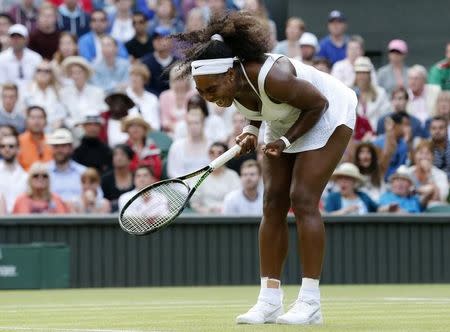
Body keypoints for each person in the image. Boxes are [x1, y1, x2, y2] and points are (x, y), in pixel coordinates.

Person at [174, 11, 357, 325]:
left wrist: (285, 141)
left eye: (212, 89)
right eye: (202, 92)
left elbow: (317, 105)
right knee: (272, 202)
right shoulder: (228, 86)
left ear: (230, 75)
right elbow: (255, 104)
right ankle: (269, 300)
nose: (209, 97)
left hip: (327, 111)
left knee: (302, 199)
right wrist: (251, 130)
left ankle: (310, 303)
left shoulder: (274, 76)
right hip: (285, 117)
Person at [190, 142, 240, 213]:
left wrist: (224, 210)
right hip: (204, 218)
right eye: (212, 152)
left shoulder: (233, 176)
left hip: (228, 216)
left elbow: (237, 199)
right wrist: (208, 211)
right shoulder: (199, 176)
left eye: (220, 153)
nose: (216, 156)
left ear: (226, 156)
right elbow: (195, 204)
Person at [60, 55, 106, 128]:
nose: (76, 76)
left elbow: (103, 113)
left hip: (93, 129)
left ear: (85, 73)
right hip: (74, 129)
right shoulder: (64, 93)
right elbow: (63, 115)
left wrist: (90, 124)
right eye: (73, 73)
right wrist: (75, 124)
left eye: (79, 72)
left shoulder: (97, 92)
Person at [21, 60, 66, 132]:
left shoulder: (58, 93)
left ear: (51, 74)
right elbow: (24, 115)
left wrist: (53, 130)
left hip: (54, 130)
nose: (43, 73)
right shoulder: (27, 91)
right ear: (35, 73)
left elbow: (61, 115)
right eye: (39, 70)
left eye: (47, 71)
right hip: (33, 130)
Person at [166, 106, 210, 178]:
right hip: (183, 187)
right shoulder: (176, 146)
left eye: (196, 123)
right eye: (190, 123)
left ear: (203, 124)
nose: (193, 126)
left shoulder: (211, 146)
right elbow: (172, 172)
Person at [46, 128, 88, 204]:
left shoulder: (84, 172)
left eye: (63, 146)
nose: (59, 150)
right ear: (51, 149)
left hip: (79, 214)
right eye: (56, 146)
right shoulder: (43, 173)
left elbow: (97, 198)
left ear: (71, 148)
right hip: (50, 214)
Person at [0, 24, 43, 90]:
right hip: (8, 96)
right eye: (13, 37)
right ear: (9, 39)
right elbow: (2, 83)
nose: (16, 40)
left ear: (26, 39)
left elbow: (40, 81)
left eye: (19, 37)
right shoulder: (2, 58)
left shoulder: (36, 58)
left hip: (33, 95)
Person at [407, 140, 449, 205]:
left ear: (433, 157)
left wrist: (428, 173)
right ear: (415, 156)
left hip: (431, 210)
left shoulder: (441, 175)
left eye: (427, 153)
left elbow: (440, 197)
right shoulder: (407, 172)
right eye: (420, 153)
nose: (424, 156)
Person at [353, 56, 390, 129]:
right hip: (354, 136)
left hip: (376, 135)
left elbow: (385, 116)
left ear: (370, 75)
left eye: (365, 73)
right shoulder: (349, 94)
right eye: (359, 73)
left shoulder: (380, 93)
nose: (362, 76)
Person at [122, 113, 162, 179]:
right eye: (132, 125)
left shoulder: (152, 147)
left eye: (139, 125)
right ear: (127, 129)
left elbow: (157, 171)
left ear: (144, 130)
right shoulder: (123, 148)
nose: (136, 128)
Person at [141, 25, 178, 96]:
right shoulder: (145, 62)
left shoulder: (178, 63)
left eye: (161, 38)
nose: (158, 41)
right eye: (155, 38)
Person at [160, 64, 195, 134]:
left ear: (187, 80)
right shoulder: (164, 96)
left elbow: (195, 116)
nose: (178, 82)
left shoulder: (193, 94)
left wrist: (182, 129)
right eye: (176, 79)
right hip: (170, 133)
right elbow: (164, 120)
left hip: (190, 131)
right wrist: (176, 128)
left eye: (181, 79)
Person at [126, 63, 161, 130]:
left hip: (150, 135)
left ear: (144, 79)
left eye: (137, 76)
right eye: (132, 75)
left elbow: (156, 124)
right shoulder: (124, 96)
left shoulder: (152, 98)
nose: (134, 78)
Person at [17, 105, 53, 171]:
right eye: (33, 118)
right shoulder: (18, 141)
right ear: (26, 121)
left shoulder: (52, 141)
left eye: (40, 117)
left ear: (46, 121)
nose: (37, 121)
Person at [101, 143, 135, 212]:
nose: (118, 158)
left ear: (129, 159)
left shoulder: (136, 177)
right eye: (115, 155)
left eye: (122, 154)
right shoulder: (105, 179)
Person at [0, 134, 28, 213]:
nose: (7, 149)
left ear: (18, 149)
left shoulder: (26, 176)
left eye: (11, 146)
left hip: (19, 220)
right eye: (3, 146)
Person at [429, 116, 450, 181]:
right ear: (430, 130)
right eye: (434, 128)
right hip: (433, 183)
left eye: (441, 128)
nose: (437, 131)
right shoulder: (426, 148)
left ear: (446, 129)